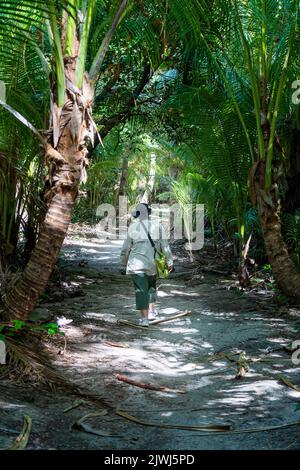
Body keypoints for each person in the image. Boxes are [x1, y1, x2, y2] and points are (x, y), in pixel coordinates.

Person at [120, 203, 173, 327]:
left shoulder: (133, 227)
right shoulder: (158, 226)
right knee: (151, 286)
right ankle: (152, 312)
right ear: (148, 213)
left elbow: (125, 249)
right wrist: (169, 261)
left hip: (136, 264)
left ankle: (144, 319)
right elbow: (165, 246)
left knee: (141, 290)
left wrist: (123, 263)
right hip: (152, 263)